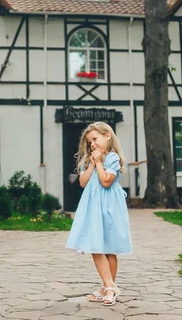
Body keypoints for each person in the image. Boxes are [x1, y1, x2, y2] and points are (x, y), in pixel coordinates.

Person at [65, 121, 133, 306]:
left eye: (95, 139)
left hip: (110, 206)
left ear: (107, 136)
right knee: (96, 245)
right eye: (89, 142)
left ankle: (108, 287)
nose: (92, 144)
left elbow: (106, 181)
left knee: (109, 247)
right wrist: (93, 164)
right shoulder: (90, 160)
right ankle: (108, 287)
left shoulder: (113, 158)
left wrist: (101, 162)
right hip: (93, 206)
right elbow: (83, 182)